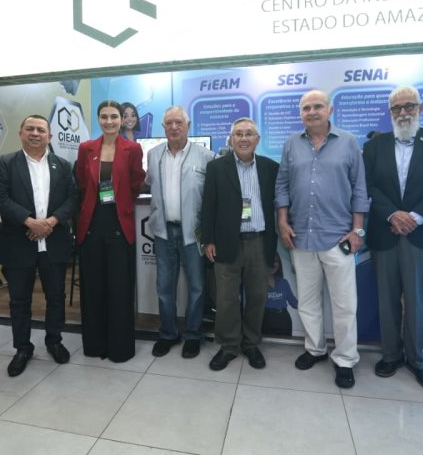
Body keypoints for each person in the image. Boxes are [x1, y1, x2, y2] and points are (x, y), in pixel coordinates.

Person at [275, 89, 369, 389]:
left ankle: (345, 359)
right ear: (300, 113)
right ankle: (314, 349)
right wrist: (282, 221)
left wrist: (358, 230)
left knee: (344, 304)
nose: (312, 112)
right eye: (306, 108)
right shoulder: (292, 143)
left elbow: (359, 188)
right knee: (307, 300)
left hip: (338, 236)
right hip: (300, 235)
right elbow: (282, 185)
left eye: (317, 106)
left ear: (330, 110)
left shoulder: (348, 142)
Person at [362, 85, 423, 391]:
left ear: (420, 108)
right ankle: (391, 355)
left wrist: (414, 217)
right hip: (386, 230)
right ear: (389, 112)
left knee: (416, 300)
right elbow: (369, 186)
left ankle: (417, 359)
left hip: (422, 232)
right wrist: (393, 214)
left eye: (409, 106)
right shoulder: (375, 146)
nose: (403, 112)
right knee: (386, 298)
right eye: (396, 108)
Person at [0, 115, 79, 377]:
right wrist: (30, 222)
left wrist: (50, 222)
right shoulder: (5, 163)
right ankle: (22, 348)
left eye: (41, 130)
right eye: (29, 128)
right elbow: (0, 198)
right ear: (20, 133)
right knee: (19, 300)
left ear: (49, 137)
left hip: (54, 241)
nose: (35, 133)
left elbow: (73, 198)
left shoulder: (62, 165)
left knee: (56, 296)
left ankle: (54, 341)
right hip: (19, 241)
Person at [201, 118, 279, 371]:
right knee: (226, 299)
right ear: (231, 139)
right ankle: (229, 345)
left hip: (259, 241)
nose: (243, 139)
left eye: (248, 134)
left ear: (257, 139)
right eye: (238, 134)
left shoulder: (270, 168)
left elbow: (278, 205)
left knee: (257, 295)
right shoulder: (216, 168)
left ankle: (251, 343)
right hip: (226, 242)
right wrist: (208, 240)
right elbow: (208, 206)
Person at [75, 100, 145, 362]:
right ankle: (95, 345)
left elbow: (137, 182)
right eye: (104, 117)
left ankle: (119, 348)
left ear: (121, 119)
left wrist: (122, 201)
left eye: (114, 116)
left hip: (119, 226)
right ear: (98, 119)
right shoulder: (86, 148)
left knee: (120, 289)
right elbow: (82, 182)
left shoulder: (132, 149)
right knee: (93, 289)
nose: (109, 121)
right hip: (91, 226)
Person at [146, 106, 215, 358]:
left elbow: (212, 198)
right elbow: (149, 185)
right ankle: (168, 334)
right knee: (165, 287)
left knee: (197, 287)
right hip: (163, 232)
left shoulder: (206, 156)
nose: (174, 127)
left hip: (193, 233)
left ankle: (193, 335)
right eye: (169, 123)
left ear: (188, 126)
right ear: (163, 127)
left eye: (179, 122)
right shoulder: (153, 155)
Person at [262, 255, 297, 336]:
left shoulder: (283, 283)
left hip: (283, 320)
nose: (273, 264)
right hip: (265, 320)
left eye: (276, 261)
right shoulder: (258, 284)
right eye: (270, 261)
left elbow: (294, 302)